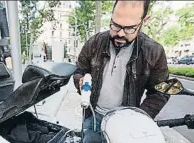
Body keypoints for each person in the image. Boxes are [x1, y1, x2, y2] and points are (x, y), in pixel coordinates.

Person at [73, 0, 170, 132]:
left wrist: (139, 117)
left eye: (129, 28)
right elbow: (79, 71)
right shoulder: (95, 43)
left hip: (126, 124)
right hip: (92, 117)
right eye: (115, 25)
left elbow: (161, 91)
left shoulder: (154, 52)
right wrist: (80, 81)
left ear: (144, 20)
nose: (120, 34)